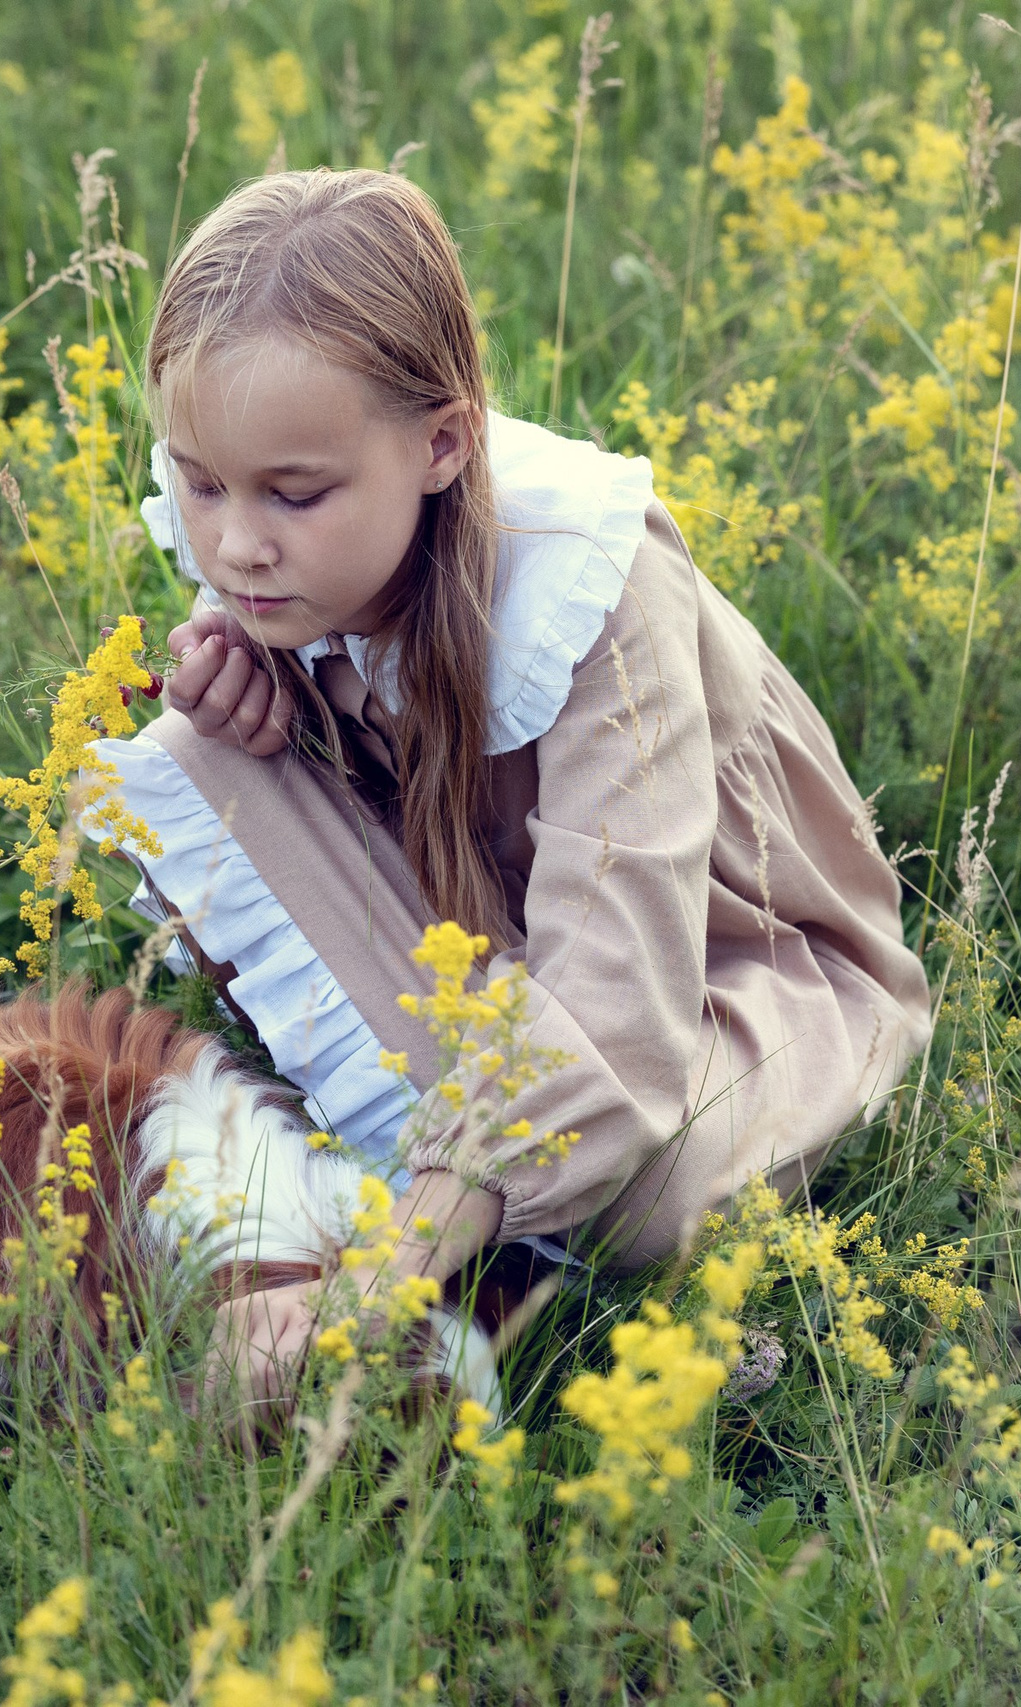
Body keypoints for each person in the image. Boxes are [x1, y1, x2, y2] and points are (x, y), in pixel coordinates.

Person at [88, 167, 931, 1411]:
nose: (233, 545)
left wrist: (380, 1273)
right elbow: (383, 774)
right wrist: (247, 692)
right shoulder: (282, 555)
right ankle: (463, 1177)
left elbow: (614, 988)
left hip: (715, 974)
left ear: (441, 442)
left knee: (642, 1197)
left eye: (292, 493)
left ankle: (447, 1195)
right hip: (487, 946)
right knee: (191, 759)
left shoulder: (588, 589)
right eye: (198, 483)